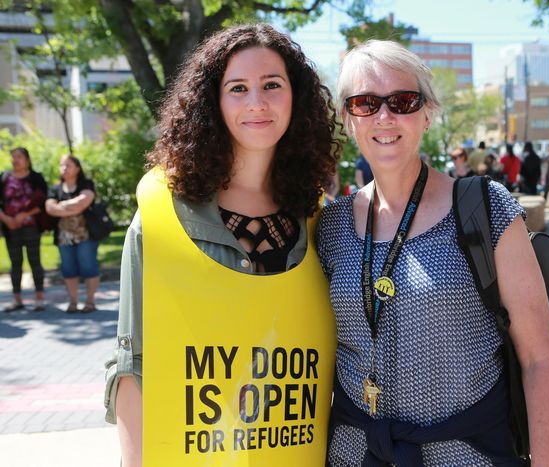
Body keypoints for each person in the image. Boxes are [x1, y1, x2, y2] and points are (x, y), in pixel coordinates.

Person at [318, 39, 549, 466]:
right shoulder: (331, 225)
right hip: (356, 455)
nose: (384, 116)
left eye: (403, 101)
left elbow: (541, 358)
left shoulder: (484, 207)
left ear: (428, 112)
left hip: (469, 454)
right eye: (365, 103)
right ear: (347, 118)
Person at [103, 24, 341, 467]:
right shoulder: (161, 213)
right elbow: (132, 363)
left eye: (272, 85)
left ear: (297, 97)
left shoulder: (319, 218)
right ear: (213, 101)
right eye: (238, 88)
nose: (257, 103)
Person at [45, 155, 100, 313]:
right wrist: (73, 207)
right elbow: (50, 209)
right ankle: (73, 302)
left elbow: (84, 202)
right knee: (68, 269)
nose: (64, 168)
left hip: (86, 235)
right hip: (64, 238)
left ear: (77, 168)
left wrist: (61, 206)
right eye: (61, 165)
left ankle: (90, 302)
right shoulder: (55, 189)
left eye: (68, 165)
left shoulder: (86, 184)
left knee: (89, 267)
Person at [0, 147, 48, 312]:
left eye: (19, 157)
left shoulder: (36, 178)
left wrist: (24, 215)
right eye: (13, 157)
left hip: (31, 227)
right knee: (15, 263)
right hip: (10, 227)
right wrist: (7, 219)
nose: (15, 160)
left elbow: (43, 202)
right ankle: (17, 299)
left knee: (35, 261)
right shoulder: (4, 178)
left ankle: (39, 298)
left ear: (27, 160)